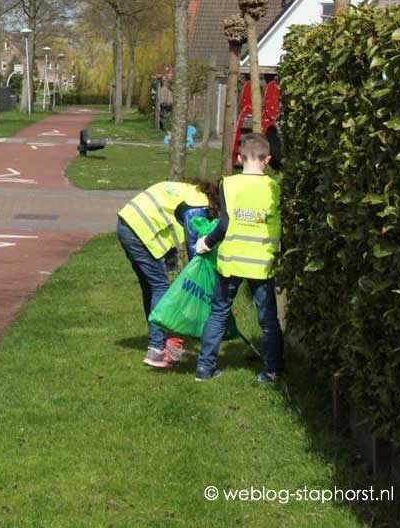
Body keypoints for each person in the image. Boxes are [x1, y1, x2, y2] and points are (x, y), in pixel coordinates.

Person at [194, 133, 283, 383]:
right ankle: (272, 370)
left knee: (218, 313)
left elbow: (224, 224)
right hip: (262, 263)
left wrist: (205, 243)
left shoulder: (228, 184)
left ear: (240, 157)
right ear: (267, 160)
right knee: (267, 319)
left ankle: (205, 368)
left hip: (231, 262)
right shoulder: (274, 187)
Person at [117, 179, 216, 368]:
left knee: (150, 287)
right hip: (140, 230)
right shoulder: (198, 204)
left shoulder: (188, 190)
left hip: (126, 223)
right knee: (160, 287)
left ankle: (159, 341)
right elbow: (194, 246)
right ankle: (156, 349)